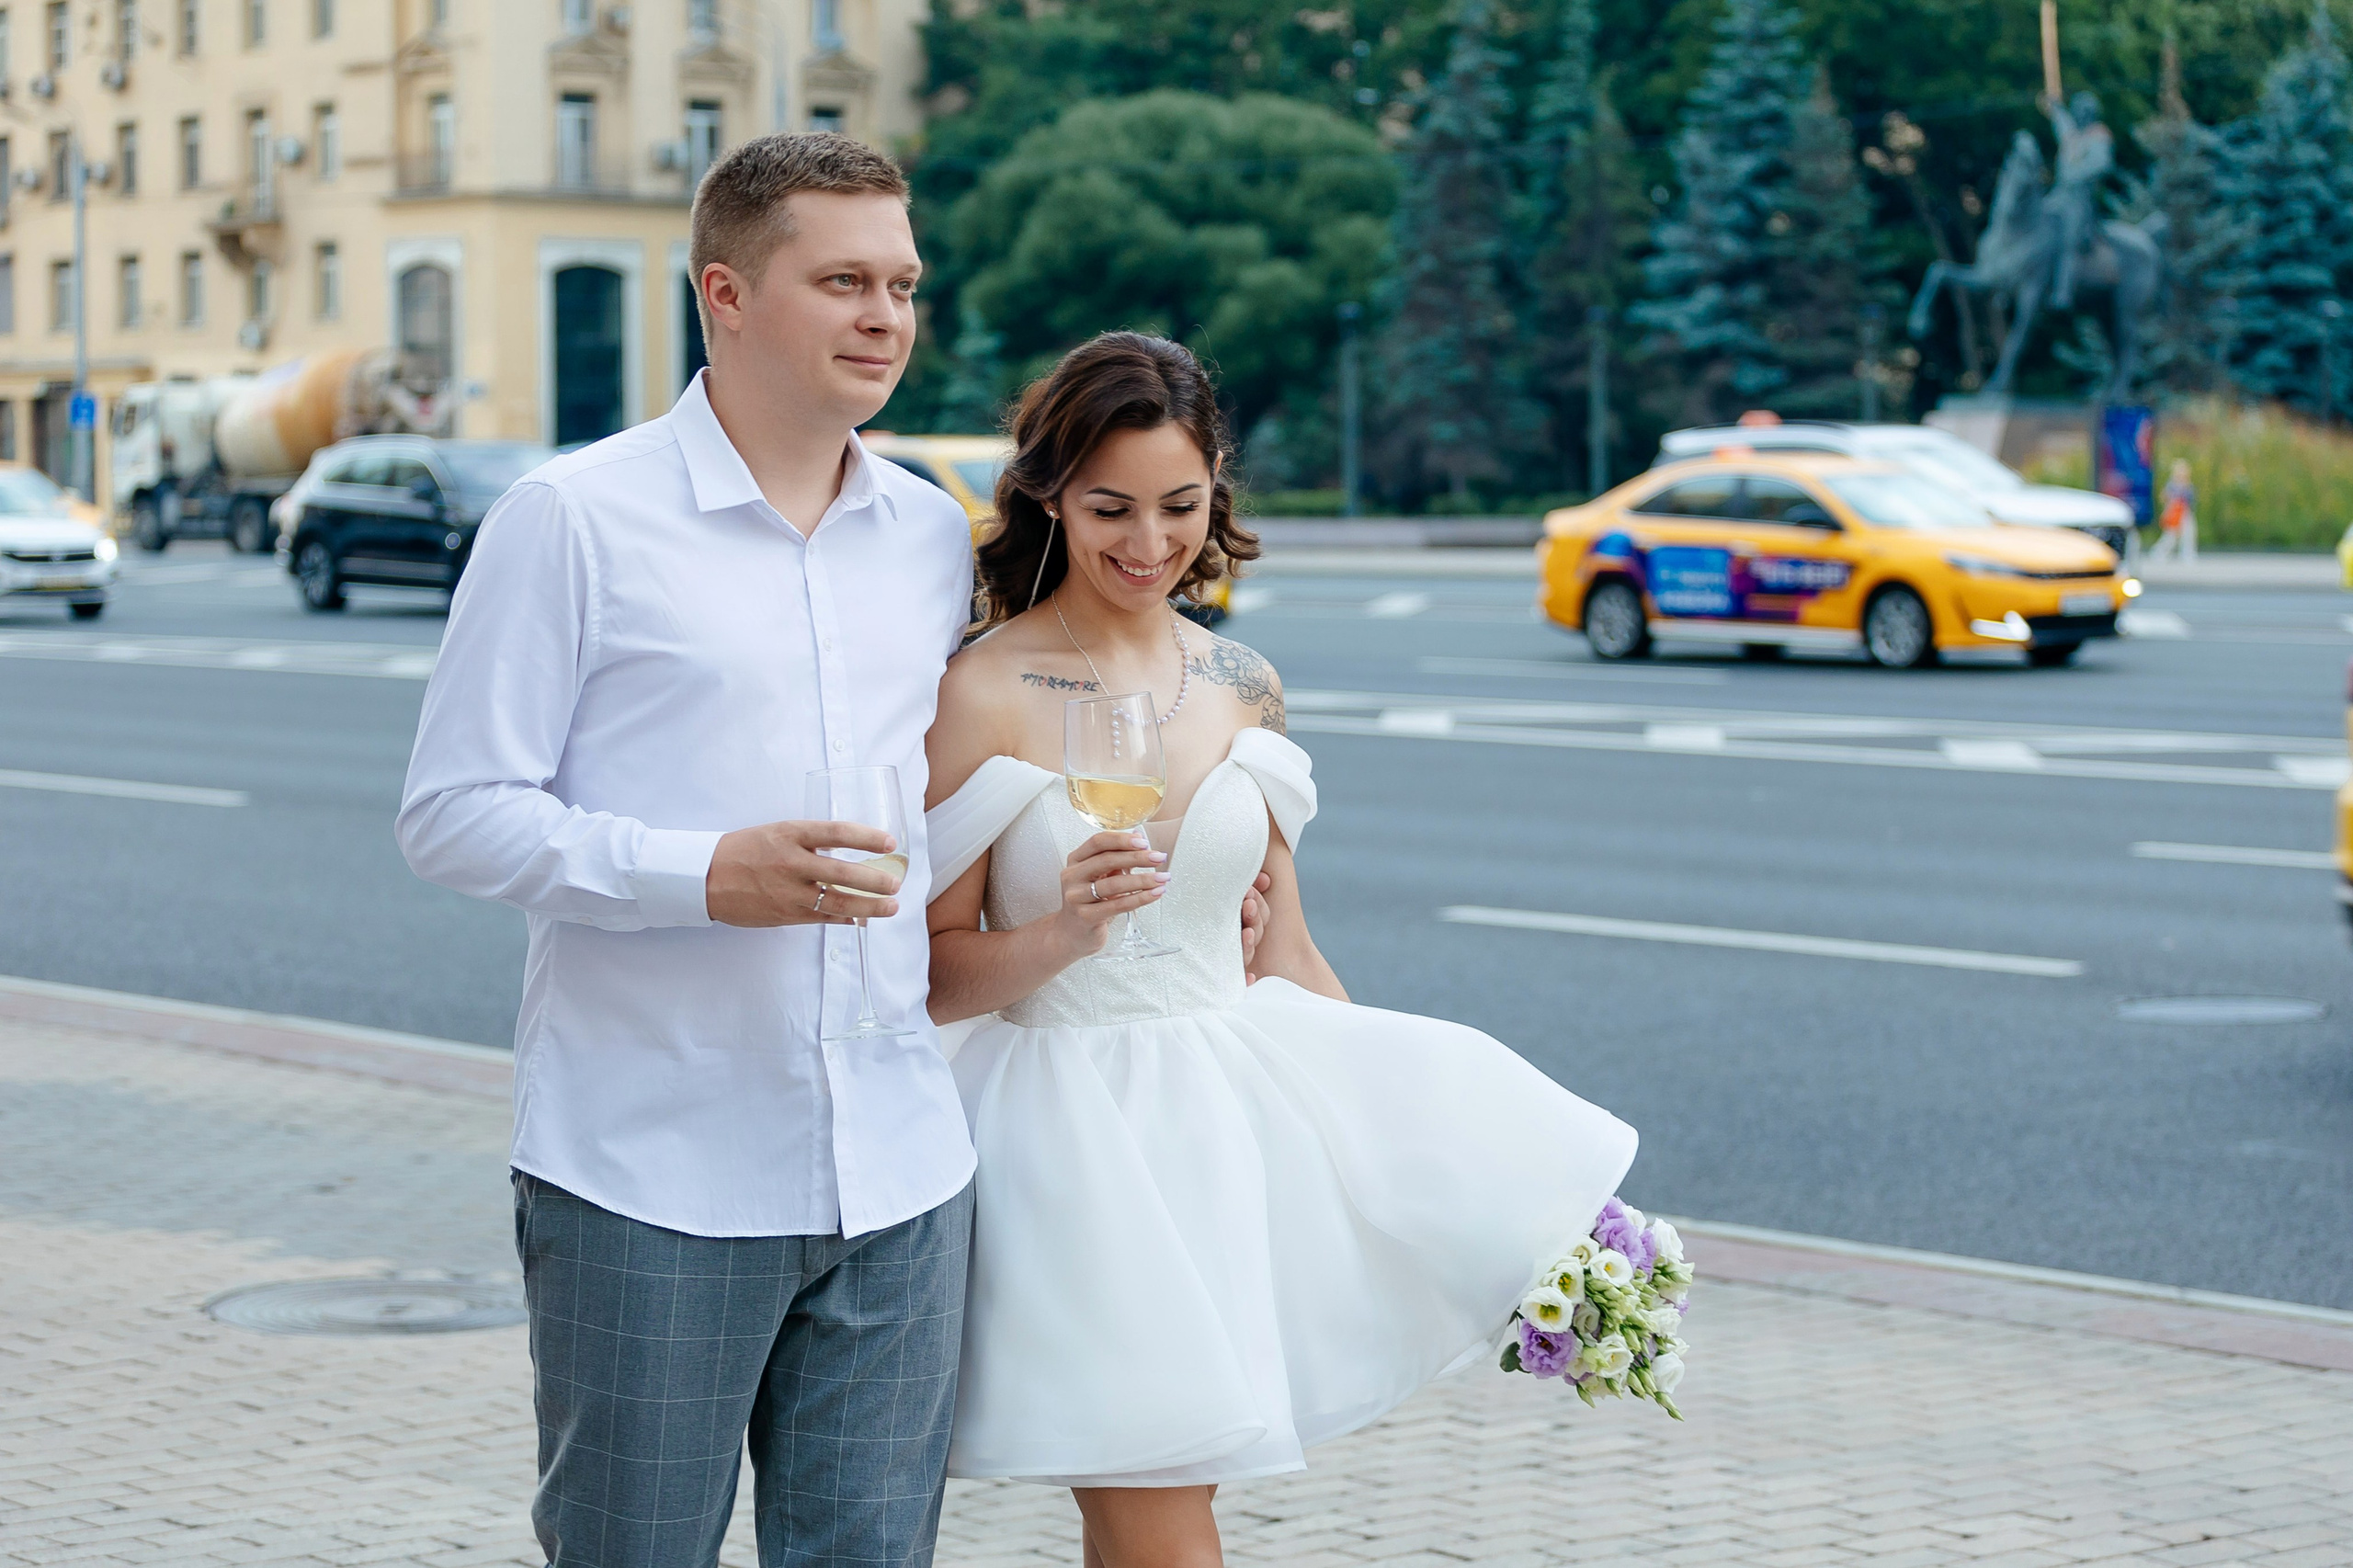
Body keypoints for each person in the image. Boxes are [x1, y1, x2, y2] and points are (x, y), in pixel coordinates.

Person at [921, 333, 1640, 1567]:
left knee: (1163, 1509)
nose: (1149, 543)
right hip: (1074, 1153)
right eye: (1110, 508)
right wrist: (1062, 931)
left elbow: (1287, 952)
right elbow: (929, 974)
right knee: (1158, 1516)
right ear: (1049, 493)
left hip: (1224, 1143)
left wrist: (1455, 1174)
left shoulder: (1243, 682)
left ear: (1217, 492)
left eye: (1179, 506)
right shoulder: (983, 689)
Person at [397, 133, 982, 1568]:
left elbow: (952, 801)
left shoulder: (927, 533)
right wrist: (702, 873)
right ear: (723, 292)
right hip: (650, 1174)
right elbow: (453, 810)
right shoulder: (572, 520)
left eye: (902, 283)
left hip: (902, 1171)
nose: (884, 317)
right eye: (842, 279)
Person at [2047, 90, 2112, 310]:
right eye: (2077, 111)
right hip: (2060, 196)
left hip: (2080, 199)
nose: (2079, 115)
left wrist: (2075, 175)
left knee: (2070, 240)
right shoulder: (2073, 136)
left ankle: (2064, 290)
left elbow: (2101, 164)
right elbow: (2061, 123)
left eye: (2084, 111)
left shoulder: (2098, 136)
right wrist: (2056, 107)